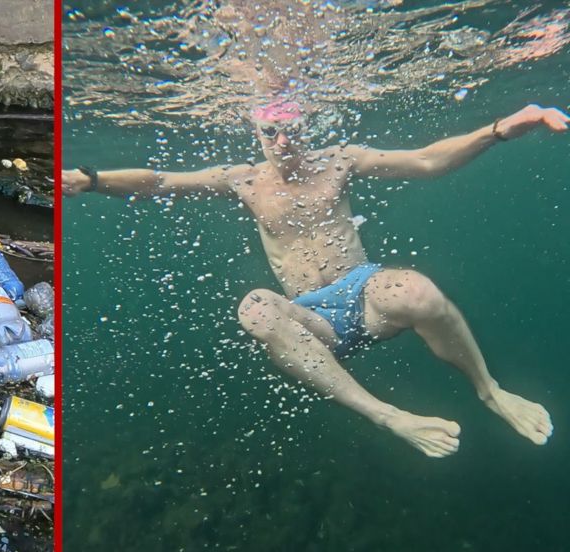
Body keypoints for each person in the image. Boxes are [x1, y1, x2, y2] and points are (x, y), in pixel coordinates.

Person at [63, 101, 568, 457]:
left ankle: (489, 390)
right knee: (256, 307)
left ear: (307, 125)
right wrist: (94, 180)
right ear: (254, 131)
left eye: (292, 129)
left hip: (367, 293)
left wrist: (498, 129)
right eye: (270, 131)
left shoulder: (339, 162)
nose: (284, 141)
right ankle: (388, 416)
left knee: (415, 288)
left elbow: (426, 160)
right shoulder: (244, 180)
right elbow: (161, 182)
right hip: (311, 317)